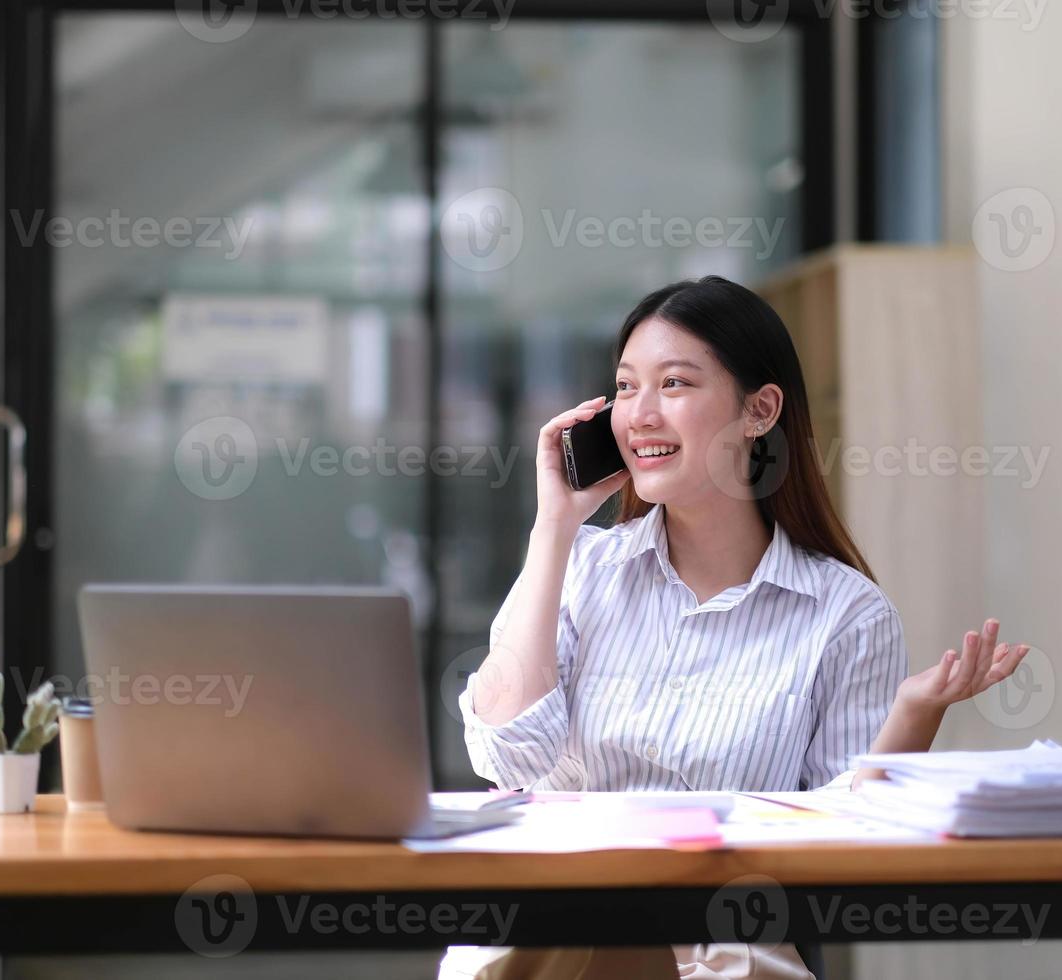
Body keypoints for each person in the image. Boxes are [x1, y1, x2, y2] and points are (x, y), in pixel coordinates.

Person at [440, 276, 1029, 980]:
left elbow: (850, 852)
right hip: (557, 929)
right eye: (626, 388)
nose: (640, 415)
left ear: (760, 410)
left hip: (723, 951)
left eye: (675, 384)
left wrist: (912, 716)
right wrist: (554, 528)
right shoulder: (578, 568)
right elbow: (510, 757)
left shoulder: (843, 612)